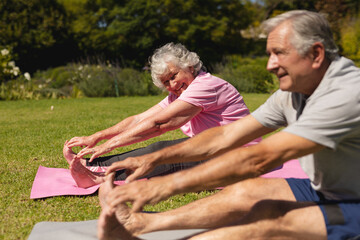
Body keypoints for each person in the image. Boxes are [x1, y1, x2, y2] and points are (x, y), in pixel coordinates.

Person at [97, 10, 360, 240]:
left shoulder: (346, 95)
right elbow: (226, 135)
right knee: (248, 191)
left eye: (279, 54)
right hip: (331, 189)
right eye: (269, 54)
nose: (270, 65)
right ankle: (136, 224)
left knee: (271, 224)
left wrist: (165, 185)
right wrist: (153, 159)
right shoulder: (295, 91)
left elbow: (260, 158)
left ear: (316, 54)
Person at [64, 42, 260, 188]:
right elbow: (139, 119)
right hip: (217, 148)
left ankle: (101, 178)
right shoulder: (180, 93)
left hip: (241, 155)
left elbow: (160, 125)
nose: (172, 85)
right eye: (166, 82)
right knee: (164, 148)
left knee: (168, 152)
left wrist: (109, 144)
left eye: (174, 76)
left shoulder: (205, 86)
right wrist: (97, 137)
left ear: (190, 67)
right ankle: (93, 164)